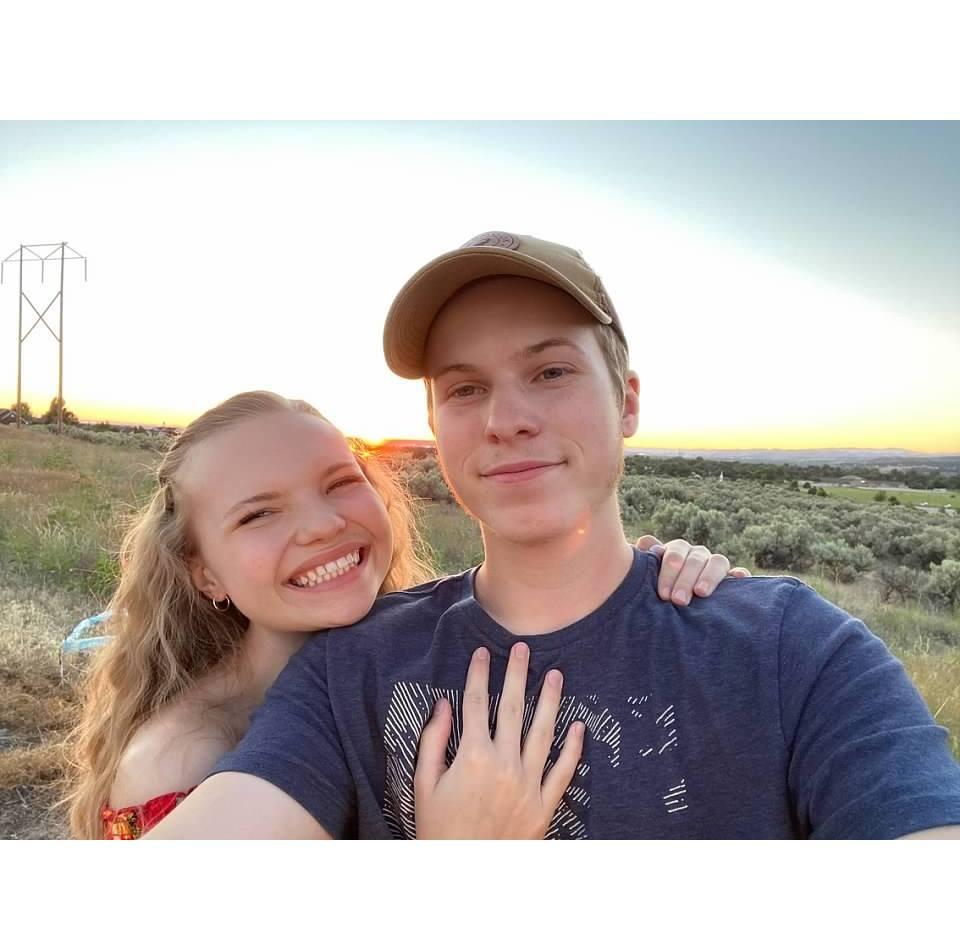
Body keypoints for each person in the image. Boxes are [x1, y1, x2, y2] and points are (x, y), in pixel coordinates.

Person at [149, 231, 960, 840]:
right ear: (436, 424)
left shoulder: (793, 651)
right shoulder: (349, 669)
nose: (506, 420)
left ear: (627, 401)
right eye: (466, 389)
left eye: (550, 372)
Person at [66, 390, 744, 839]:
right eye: (259, 514)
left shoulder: (405, 649)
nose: (322, 525)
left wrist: (638, 578)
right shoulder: (184, 759)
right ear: (204, 570)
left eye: (340, 483)